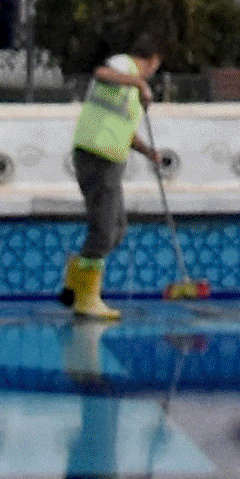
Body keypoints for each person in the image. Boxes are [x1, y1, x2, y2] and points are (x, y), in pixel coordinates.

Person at [61, 44, 166, 320]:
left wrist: (148, 153)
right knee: (104, 230)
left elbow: (124, 129)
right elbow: (101, 72)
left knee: (117, 229)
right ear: (153, 60)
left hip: (110, 158)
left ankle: (74, 286)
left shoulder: (130, 89)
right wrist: (139, 82)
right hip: (97, 154)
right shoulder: (124, 64)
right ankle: (86, 299)